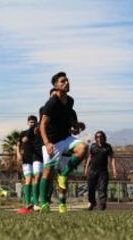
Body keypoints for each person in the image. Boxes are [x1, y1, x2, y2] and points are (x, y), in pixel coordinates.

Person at [39, 71, 88, 213]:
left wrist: (77, 125)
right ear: (55, 86)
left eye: (67, 80)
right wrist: (47, 143)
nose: (66, 83)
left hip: (66, 139)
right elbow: (42, 125)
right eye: (62, 81)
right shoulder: (52, 102)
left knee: (83, 147)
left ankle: (64, 178)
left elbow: (71, 123)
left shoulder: (70, 101)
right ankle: (44, 204)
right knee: (47, 173)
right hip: (52, 142)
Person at [16, 116, 43, 214]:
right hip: (26, 158)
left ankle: (36, 202)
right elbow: (18, 144)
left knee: (37, 177)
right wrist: (18, 154)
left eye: (34, 122)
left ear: (37, 123)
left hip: (37, 157)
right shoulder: (23, 133)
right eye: (31, 122)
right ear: (28, 123)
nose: (32, 123)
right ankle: (28, 203)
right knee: (28, 179)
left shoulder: (39, 133)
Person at [84, 131, 117, 210]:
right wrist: (86, 169)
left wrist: (114, 170)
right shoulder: (93, 146)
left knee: (102, 188)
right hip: (92, 171)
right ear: (95, 138)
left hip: (103, 172)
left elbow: (112, 158)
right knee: (91, 188)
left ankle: (102, 205)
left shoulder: (107, 147)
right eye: (97, 137)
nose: (99, 138)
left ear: (104, 137)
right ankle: (92, 203)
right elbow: (90, 157)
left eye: (101, 136)